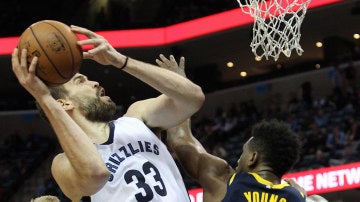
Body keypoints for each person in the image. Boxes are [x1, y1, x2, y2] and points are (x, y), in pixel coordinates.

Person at [12, 25, 205, 201]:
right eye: (81, 81)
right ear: (63, 103)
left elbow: (193, 98)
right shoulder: (63, 163)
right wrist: (45, 98)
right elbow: (96, 174)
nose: (95, 82)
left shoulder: (137, 117)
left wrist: (118, 60)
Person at [159, 57, 325, 202]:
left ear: (253, 157)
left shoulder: (222, 180)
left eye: (243, 152)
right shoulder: (301, 198)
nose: (238, 160)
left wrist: (178, 86)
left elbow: (180, 139)